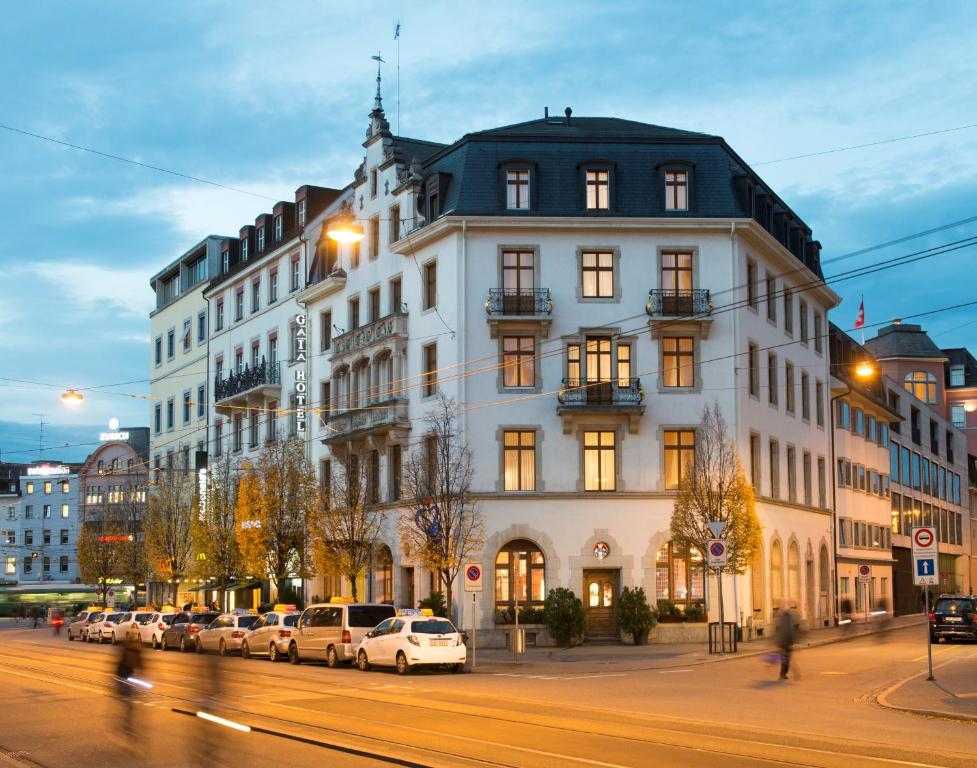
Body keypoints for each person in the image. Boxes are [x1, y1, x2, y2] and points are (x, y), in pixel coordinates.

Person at [115, 627, 144, 745]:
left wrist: (143, 672)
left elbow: (141, 663)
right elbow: (120, 664)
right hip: (123, 676)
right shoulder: (126, 648)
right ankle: (126, 720)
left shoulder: (134, 648)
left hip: (129, 675)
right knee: (127, 699)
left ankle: (128, 717)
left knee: (129, 699)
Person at [775, 603, 797, 680]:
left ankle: (783, 674)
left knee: (785, 659)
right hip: (785, 642)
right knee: (786, 659)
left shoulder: (783, 617)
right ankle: (782, 674)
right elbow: (788, 630)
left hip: (783, 642)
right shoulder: (787, 617)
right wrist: (791, 640)